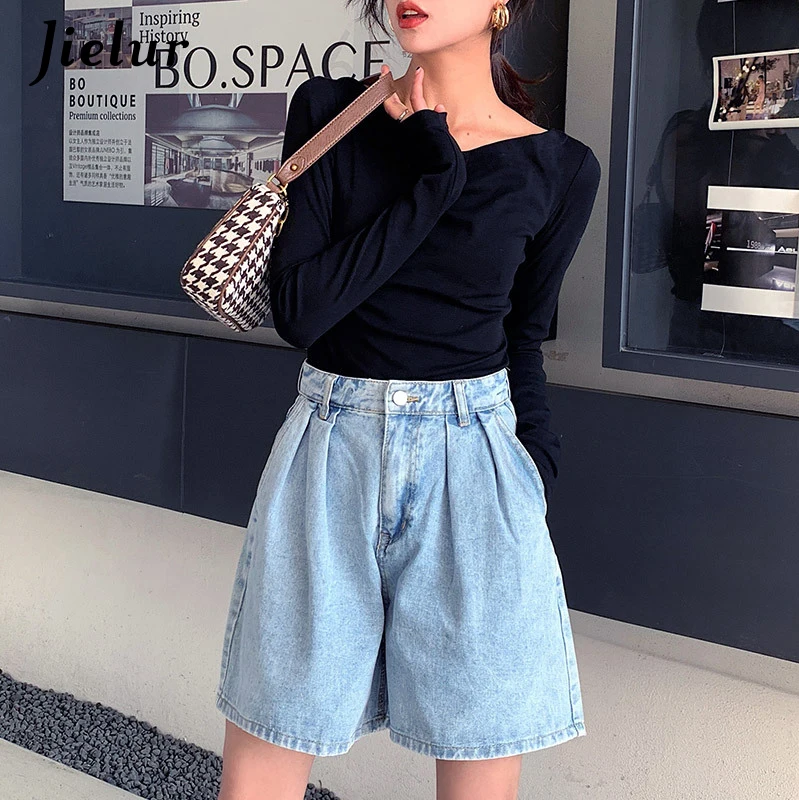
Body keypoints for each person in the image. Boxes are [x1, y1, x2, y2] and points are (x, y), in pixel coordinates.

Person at [215, 1, 601, 798]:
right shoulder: (333, 112)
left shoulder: (558, 168)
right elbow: (301, 311)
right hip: (330, 452)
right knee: (266, 750)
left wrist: (532, 472)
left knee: (479, 756)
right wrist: (433, 180)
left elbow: (523, 338)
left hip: (477, 464)